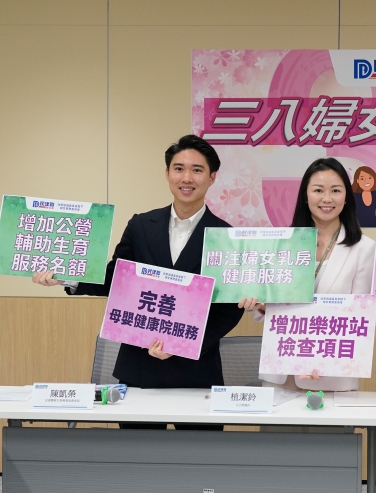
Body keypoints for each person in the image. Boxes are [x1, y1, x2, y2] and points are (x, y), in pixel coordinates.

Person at [32, 135, 244, 430]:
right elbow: (115, 279)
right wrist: (66, 276)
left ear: (212, 177)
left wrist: (184, 345)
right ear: (167, 173)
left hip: (197, 374)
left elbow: (230, 309)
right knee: (137, 457)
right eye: (179, 168)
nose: (187, 178)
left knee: (198, 458)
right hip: (139, 370)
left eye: (197, 170)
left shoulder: (226, 236)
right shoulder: (141, 225)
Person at [241, 158, 376, 392]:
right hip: (281, 372)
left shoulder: (364, 248)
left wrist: (324, 360)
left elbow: (358, 317)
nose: (327, 198)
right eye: (318, 190)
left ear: (346, 196)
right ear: (305, 195)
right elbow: (268, 305)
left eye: (336, 190)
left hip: (332, 376)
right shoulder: (280, 243)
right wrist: (261, 306)